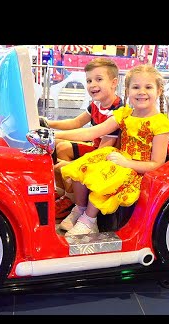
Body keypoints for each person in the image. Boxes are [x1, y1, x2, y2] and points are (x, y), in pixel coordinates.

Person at [55, 64, 169, 237]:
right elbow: (92, 131)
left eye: (148, 87)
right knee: (80, 167)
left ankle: (89, 220)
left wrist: (126, 163)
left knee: (105, 176)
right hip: (119, 159)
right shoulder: (124, 114)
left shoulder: (161, 124)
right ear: (128, 90)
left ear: (159, 91)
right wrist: (54, 134)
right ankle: (79, 208)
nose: (141, 92)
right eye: (136, 87)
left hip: (136, 169)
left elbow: (157, 163)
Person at [42, 58, 123, 219]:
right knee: (61, 147)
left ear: (114, 83)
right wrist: (47, 122)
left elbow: (102, 150)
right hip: (96, 148)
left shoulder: (117, 111)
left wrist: (70, 164)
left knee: (60, 166)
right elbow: (76, 122)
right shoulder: (96, 105)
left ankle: (74, 202)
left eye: (99, 79)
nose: (92, 84)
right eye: (89, 80)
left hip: (107, 156)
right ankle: (65, 194)